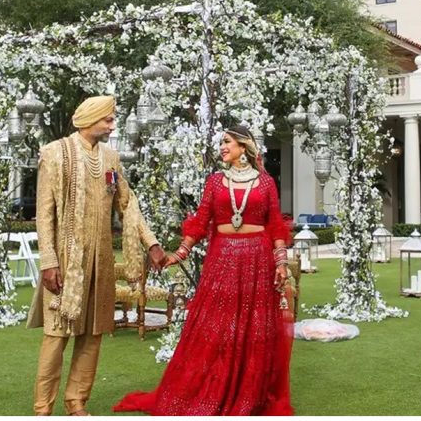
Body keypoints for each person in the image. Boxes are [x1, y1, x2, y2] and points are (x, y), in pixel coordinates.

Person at [114, 125, 294, 416]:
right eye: (221, 142)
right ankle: (212, 387)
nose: (222, 147)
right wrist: (181, 252)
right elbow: (201, 221)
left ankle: (249, 392)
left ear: (243, 146)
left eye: (227, 142)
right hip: (222, 258)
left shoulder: (264, 183)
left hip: (258, 260)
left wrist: (281, 261)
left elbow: (274, 223)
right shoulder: (215, 182)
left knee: (252, 326)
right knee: (217, 324)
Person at [29, 95, 168, 416]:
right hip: (66, 259)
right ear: (90, 118)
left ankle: (76, 402)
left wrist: (152, 244)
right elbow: (44, 214)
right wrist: (48, 261)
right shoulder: (54, 153)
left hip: (101, 260)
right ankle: (42, 408)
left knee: (93, 334)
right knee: (57, 335)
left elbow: (128, 204)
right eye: (108, 119)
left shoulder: (111, 158)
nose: (112, 124)